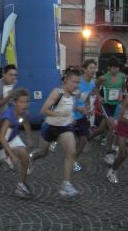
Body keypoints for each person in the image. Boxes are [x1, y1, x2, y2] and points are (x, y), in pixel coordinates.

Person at [27, 69, 81, 199]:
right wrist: (58, 114)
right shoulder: (57, 92)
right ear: (66, 80)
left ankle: (66, 185)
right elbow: (43, 110)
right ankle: (31, 158)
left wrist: (73, 117)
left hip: (64, 128)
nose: (76, 85)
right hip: (50, 127)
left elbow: (69, 110)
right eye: (74, 82)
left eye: (78, 82)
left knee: (71, 152)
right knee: (42, 152)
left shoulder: (73, 95)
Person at [96, 56, 126, 165]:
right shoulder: (103, 78)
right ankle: (109, 151)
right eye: (114, 67)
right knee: (112, 126)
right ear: (109, 68)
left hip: (116, 104)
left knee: (114, 128)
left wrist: (122, 97)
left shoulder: (122, 76)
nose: (116, 69)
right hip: (106, 104)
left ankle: (110, 147)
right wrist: (99, 97)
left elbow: (123, 88)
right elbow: (95, 87)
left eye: (117, 67)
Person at [72, 60, 97, 171]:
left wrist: (88, 108)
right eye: (91, 67)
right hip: (70, 115)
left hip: (81, 115)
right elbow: (69, 99)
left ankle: (73, 161)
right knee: (70, 142)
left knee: (83, 140)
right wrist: (78, 109)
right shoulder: (78, 81)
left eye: (94, 67)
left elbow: (86, 97)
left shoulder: (92, 83)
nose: (93, 70)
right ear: (84, 69)